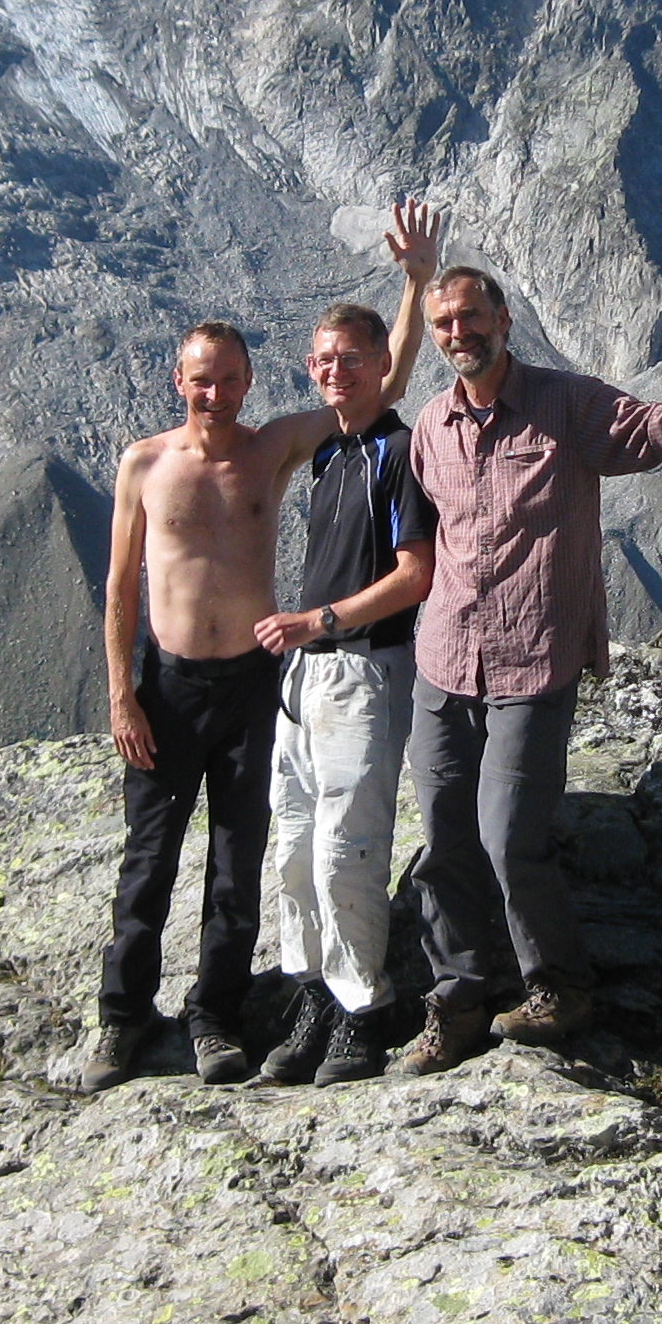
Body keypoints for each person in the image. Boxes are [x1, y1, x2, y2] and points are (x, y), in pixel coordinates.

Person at [70, 204, 438, 1095]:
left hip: (251, 685)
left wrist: (417, 284)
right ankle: (122, 1021)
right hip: (166, 686)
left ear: (247, 381)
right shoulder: (144, 466)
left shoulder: (274, 448)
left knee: (241, 865)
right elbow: (121, 590)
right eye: (203, 380)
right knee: (148, 861)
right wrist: (121, 694)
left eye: (230, 379)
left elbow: (378, 389)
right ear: (179, 379)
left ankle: (215, 1019)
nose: (216, 393)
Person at [390, 265, 662, 1072]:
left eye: (471, 318)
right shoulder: (431, 426)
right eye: (444, 323)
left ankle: (559, 984)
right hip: (445, 661)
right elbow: (426, 539)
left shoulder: (567, 404)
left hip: (532, 659)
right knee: (445, 843)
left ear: (504, 319)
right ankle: (459, 998)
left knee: (509, 834)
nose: (457, 333)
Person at [245, 301, 439, 1085]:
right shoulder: (331, 451)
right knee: (292, 846)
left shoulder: (397, 452)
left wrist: (319, 620)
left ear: (379, 365)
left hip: (363, 668)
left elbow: (415, 574)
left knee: (342, 847)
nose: (335, 371)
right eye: (323, 360)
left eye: (350, 359)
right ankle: (314, 994)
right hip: (308, 674)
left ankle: (363, 1007)